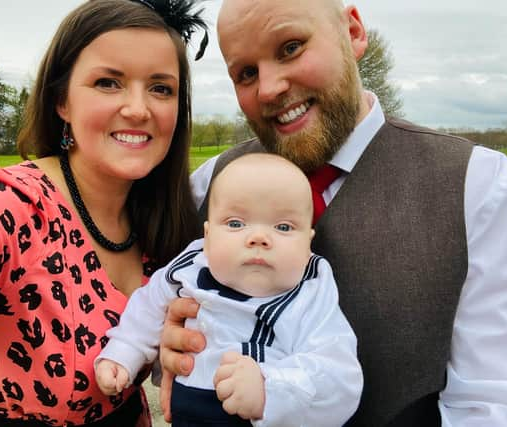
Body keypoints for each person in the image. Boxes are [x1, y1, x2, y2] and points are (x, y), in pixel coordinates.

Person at [159, 0, 507, 426]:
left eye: (290, 47)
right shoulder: (207, 185)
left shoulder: (485, 192)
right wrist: (170, 347)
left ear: (354, 33)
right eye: (246, 73)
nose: (268, 88)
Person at [0, 0, 207, 425]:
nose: (140, 108)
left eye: (161, 88)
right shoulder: (5, 205)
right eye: (108, 82)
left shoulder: (165, 219)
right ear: (61, 101)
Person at [95, 153, 363, 427]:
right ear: (208, 237)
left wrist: (269, 388)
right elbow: (148, 305)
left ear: (308, 244)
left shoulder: (309, 292)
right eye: (235, 223)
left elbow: (339, 374)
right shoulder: (191, 265)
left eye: (283, 226)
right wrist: (124, 352)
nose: (258, 237)